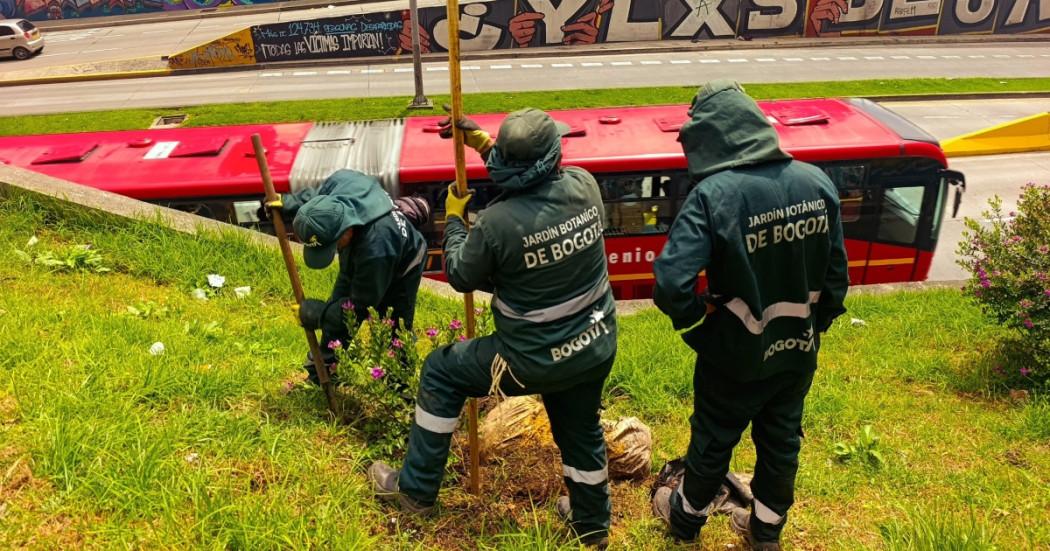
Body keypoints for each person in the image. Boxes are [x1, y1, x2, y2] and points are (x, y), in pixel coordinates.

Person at [366, 108, 618, 548]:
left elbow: (462, 275)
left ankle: (416, 491)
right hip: (593, 344)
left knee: (442, 371)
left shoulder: (498, 225)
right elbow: (536, 172)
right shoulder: (586, 186)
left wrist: (457, 222)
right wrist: (483, 143)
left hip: (529, 361)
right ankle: (591, 523)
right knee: (580, 431)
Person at [649, 80, 849, 550]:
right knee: (781, 444)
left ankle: (685, 522)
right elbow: (836, 280)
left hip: (733, 356)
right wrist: (811, 328)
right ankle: (765, 533)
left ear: (710, 136)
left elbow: (671, 282)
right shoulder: (816, 182)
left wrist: (701, 323)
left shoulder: (712, 194)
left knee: (713, 442)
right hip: (798, 352)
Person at [263, 169, 429, 385]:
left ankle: (400, 389)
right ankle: (322, 373)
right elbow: (319, 196)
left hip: (403, 262)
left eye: (331, 246)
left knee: (394, 327)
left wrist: (316, 314)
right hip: (362, 244)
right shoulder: (345, 183)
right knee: (338, 305)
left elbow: (360, 306)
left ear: (345, 231)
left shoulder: (377, 250)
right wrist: (289, 202)